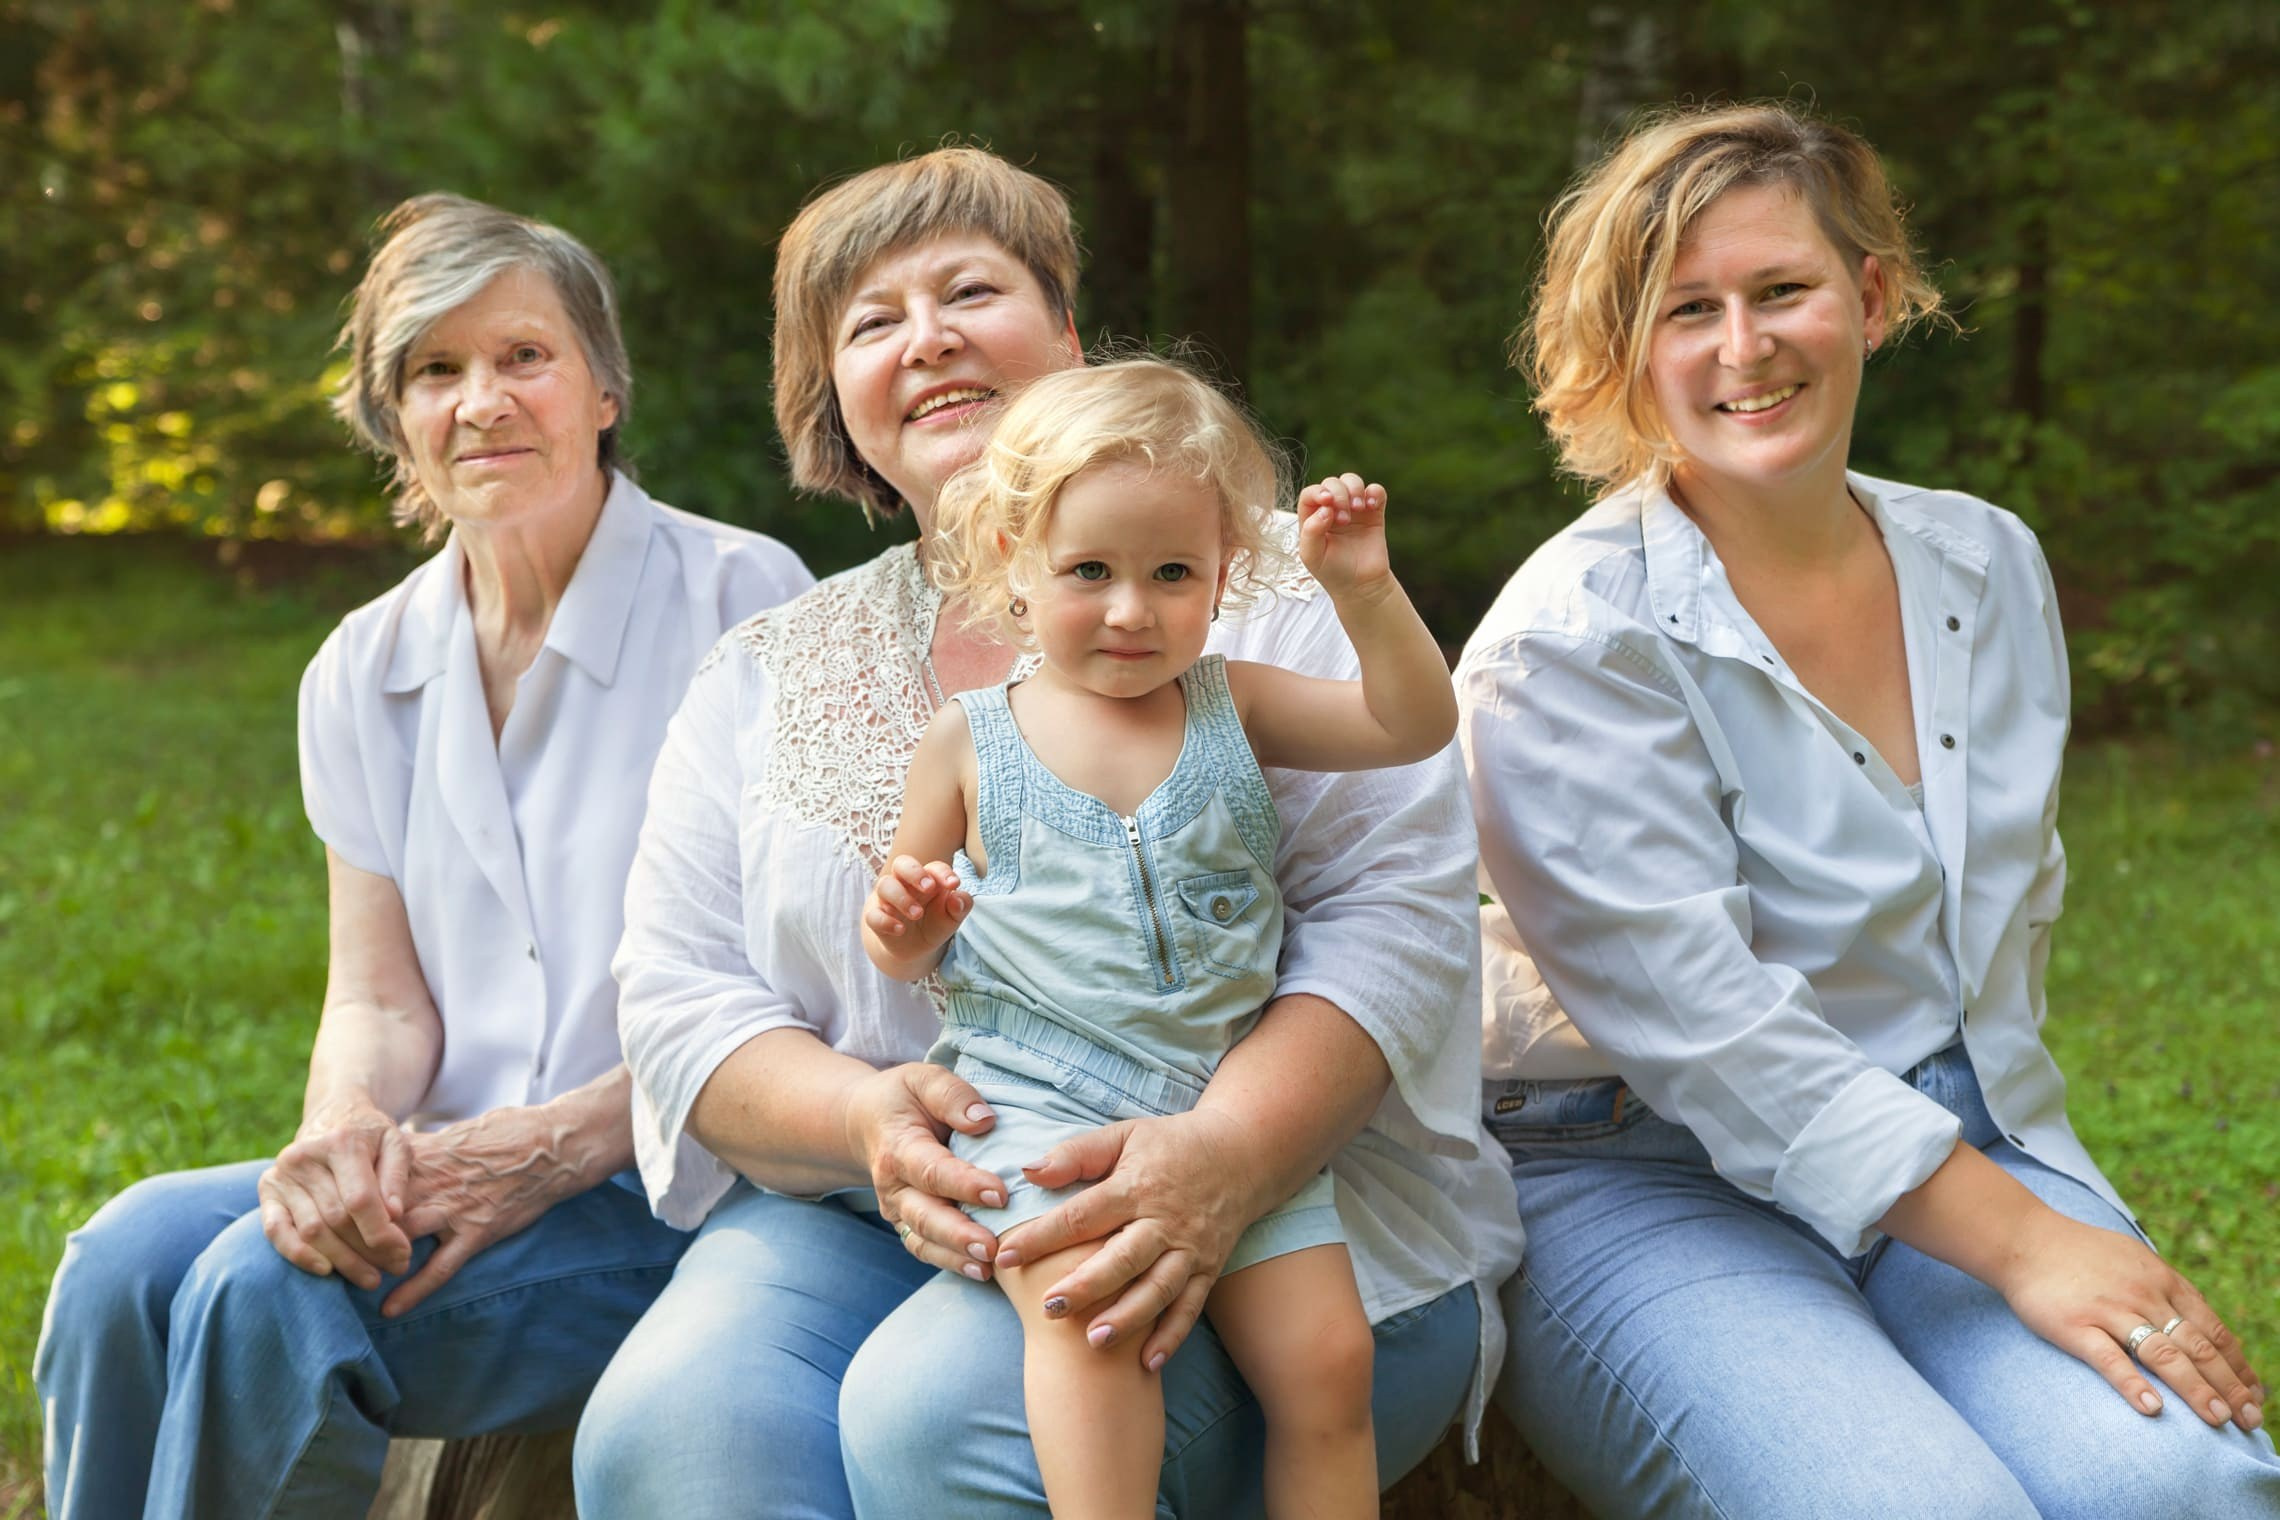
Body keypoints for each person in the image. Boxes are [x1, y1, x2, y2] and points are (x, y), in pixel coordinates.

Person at [575, 148, 1526, 1519]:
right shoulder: (759, 672)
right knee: (671, 1433)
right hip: (858, 1213)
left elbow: (1398, 920)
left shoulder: (1250, 582)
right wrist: (864, 1122)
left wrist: (1224, 1155)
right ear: (834, 401)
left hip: (1261, 1189)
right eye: (874, 321)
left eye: (971, 291)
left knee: (940, 1423)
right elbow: (676, 999)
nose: (929, 338)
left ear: (1070, 338)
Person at [1457, 101, 2280, 1518]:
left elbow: (2006, 926)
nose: (1744, 347)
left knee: (2181, 1491)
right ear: (1632, 350)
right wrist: (2026, 1242)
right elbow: (1712, 1036)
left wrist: (2016, 1193)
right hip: (1639, 1168)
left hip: (1956, 1130)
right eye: (1687, 310)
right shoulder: (1567, 643)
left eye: (1782, 289)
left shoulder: (1986, 564)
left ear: (1874, 296)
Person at [32, 193, 812, 1519]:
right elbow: (380, 1000)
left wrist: (547, 1148)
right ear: (393, 419)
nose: (482, 400)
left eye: (524, 355)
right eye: (436, 370)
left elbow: (803, 989)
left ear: (605, 388)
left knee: (265, 1295)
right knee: (121, 1263)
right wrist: (339, 1136)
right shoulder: (361, 666)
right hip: (445, 1169)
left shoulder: (746, 604)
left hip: (671, 1186)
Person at [862, 357, 1457, 1520]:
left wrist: (1365, 591)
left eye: (1172, 573)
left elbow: (1412, 723)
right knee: (1089, 1325)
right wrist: (911, 924)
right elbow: (900, 948)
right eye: (1090, 570)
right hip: (1041, 1102)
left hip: (1215, 1102)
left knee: (1328, 1359)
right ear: (1014, 562)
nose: (1132, 609)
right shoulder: (969, 740)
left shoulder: (1238, 705)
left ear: (1223, 575)